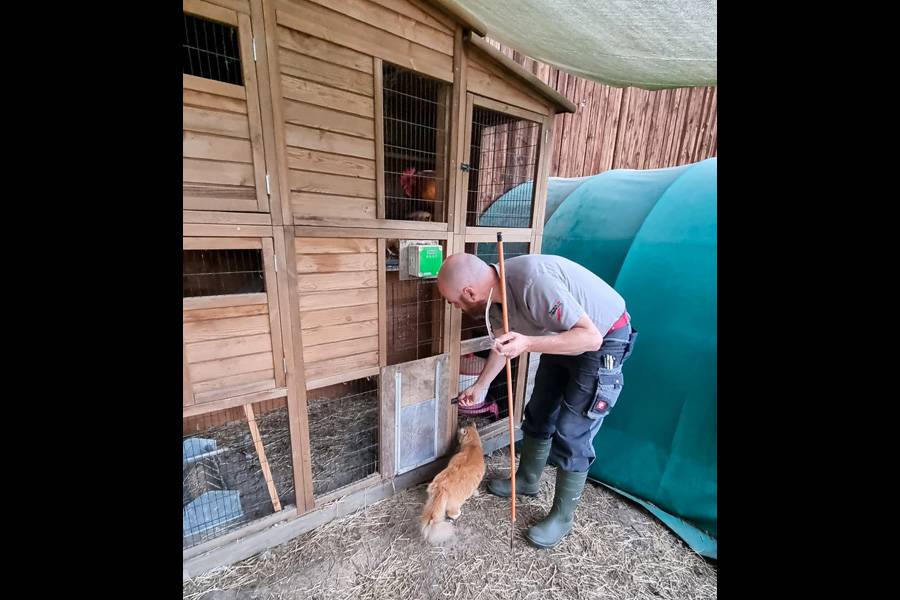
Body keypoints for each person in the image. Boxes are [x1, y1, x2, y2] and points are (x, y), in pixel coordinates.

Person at [436, 252, 637, 548]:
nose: (455, 307)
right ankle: (528, 481)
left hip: (601, 337)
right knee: (539, 410)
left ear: (469, 292)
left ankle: (562, 518)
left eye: (454, 301)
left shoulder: (532, 282)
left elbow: (589, 338)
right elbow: (503, 344)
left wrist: (529, 342)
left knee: (571, 430)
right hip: (564, 336)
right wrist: (481, 385)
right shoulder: (495, 299)